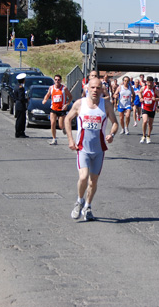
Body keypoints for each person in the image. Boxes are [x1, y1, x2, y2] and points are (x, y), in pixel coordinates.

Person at [65, 78, 118, 222]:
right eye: (93, 88)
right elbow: (67, 119)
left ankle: (88, 206)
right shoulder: (79, 104)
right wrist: (70, 139)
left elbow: (115, 124)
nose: (95, 90)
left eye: (98, 88)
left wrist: (111, 134)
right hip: (83, 148)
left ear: (102, 90)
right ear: (87, 88)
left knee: (93, 181)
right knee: (83, 177)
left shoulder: (106, 105)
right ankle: (79, 201)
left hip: (99, 149)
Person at [43, 74, 73, 145]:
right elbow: (47, 95)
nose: (57, 81)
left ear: (61, 81)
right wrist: (45, 100)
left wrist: (66, 104)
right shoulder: (51, 88)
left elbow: (70, 97)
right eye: (56, 80)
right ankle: (54, 139)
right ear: (54, 80)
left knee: (60, 125)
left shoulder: (64, 89)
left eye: (58, 80)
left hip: (61, 109)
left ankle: (64, 128)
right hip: (53, 109)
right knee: (52, 123)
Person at [140, 76, 159, 144]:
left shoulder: (155, 90)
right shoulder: (144, 88)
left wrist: (155, 99)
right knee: (145, 121)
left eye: (151, 83)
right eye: (148, 82)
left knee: (150, 124)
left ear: (152, 83)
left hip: (152, 108)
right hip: (145, 107)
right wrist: (141, 98)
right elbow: (139, 93)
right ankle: (143, 135)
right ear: (147, 82)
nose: (149, 84)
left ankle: (148, 136)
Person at [14, 73, 28, 138]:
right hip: (21, 105)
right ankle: (20, 132)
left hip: (18, 104)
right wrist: (26, 100)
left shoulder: (16, 86)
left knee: (20, 119)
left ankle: (19, 132)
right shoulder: (21, 88)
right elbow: (21, 98)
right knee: (21, 120)